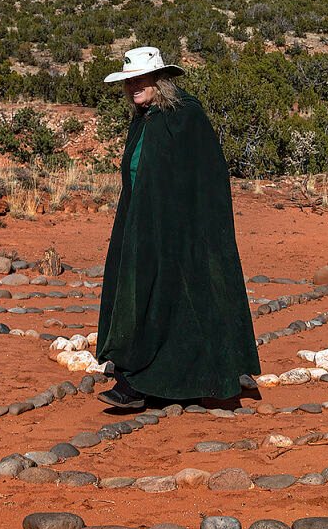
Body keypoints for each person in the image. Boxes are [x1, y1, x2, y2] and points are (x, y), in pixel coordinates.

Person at [95, 46, 260, 409]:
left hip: (179, 228)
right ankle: (138, 374)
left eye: (140, 79)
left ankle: (141, 383)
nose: (134, 87)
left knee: (173, 298)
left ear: (159, 80)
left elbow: (207, 175)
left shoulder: (185, 116)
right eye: (129, 81)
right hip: (142, 221)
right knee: (142, 295)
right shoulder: (145, 118)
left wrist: (192, 227)